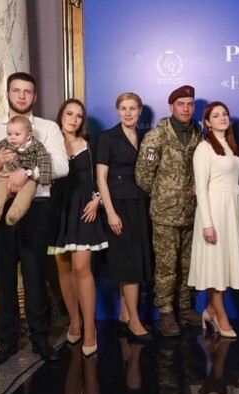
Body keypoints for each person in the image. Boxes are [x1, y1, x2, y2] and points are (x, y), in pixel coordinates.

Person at [0, 72, 69, 368]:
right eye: (16, 90)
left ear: (35, 96)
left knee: (35, 277)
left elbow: (61, 166)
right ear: (7, 94)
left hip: (37, 208)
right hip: (0, 208)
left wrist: (28, 173)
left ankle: (40, 339)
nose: (22, 96)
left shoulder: (47, 128)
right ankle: (7, 342)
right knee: (4, 280)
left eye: (27, 91)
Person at [135, 85, 202, 337]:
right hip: (165, 214)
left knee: (187, 265)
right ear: (171, 107)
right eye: (181, 104)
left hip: (192, 213)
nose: (186, 109)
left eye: (190, 104)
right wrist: (164, 195)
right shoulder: (157, 136)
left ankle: (184, 307)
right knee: (166, 267)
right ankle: (165, 312)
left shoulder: (198, 135)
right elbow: (143, 176)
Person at [48, 99, 108, 358]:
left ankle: (90, 329)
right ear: (61, 115)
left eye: (79, 115)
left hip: (85, 209)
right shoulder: (50, 143)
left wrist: (97, 200)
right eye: (69, 113)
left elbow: (102, 178)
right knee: (64, 268)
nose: (73, 119)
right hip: (59, 210)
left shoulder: (91, 144)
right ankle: (75, 321)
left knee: (82, 268)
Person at [95, 92, 153, 341]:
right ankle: (135, 322)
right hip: (119, 204)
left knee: (134, 260)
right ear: (117, 111)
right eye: (123, 108)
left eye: (132, 108)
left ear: (140, 111)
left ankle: (124, 315)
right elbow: (101, 178)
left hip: (140, 202)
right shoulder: (107, 138)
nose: (128, 113)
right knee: (129, 265)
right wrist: (110, 212)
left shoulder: (146, 138)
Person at [187, 101, 239, 338]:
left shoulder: (231, 146)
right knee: (214, 266)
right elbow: (200, 188)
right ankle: (221, 317)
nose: (222, 117)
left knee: (226, 266)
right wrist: (207, 223)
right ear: (207, 123)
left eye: (225, 114)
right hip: (213, 209)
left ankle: (210, 312)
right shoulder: (204, 148)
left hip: (231, 209)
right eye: (216, 115)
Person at [0, 115, 52, 226]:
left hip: (28, 179)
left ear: (28, 135)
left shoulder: (37, 147)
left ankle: (14, 214)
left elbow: (45, 162)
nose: (12, 138)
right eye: (9, 134)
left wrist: (45, 180)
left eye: (17, 134)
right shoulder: (6, 144)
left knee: (26, 195)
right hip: (7, 174)